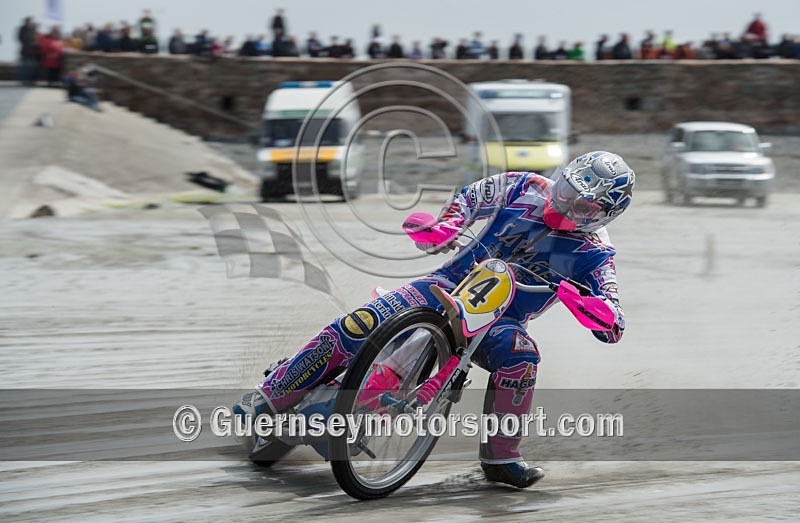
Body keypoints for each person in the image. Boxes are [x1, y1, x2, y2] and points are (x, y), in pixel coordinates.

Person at [235, 151, 635, 488]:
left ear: (602, 216)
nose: (565, 204)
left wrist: (589, 307)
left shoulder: (598, 254)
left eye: (582, 205)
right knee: (359, 322)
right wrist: (447, 226)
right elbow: (470, 198)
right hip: (443, 283)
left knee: (522, 357)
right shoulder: (522, 185)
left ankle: (501, 456)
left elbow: (614, 324)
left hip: (500, 322)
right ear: (560, 177)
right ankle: (270, 395)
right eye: (567, 190)